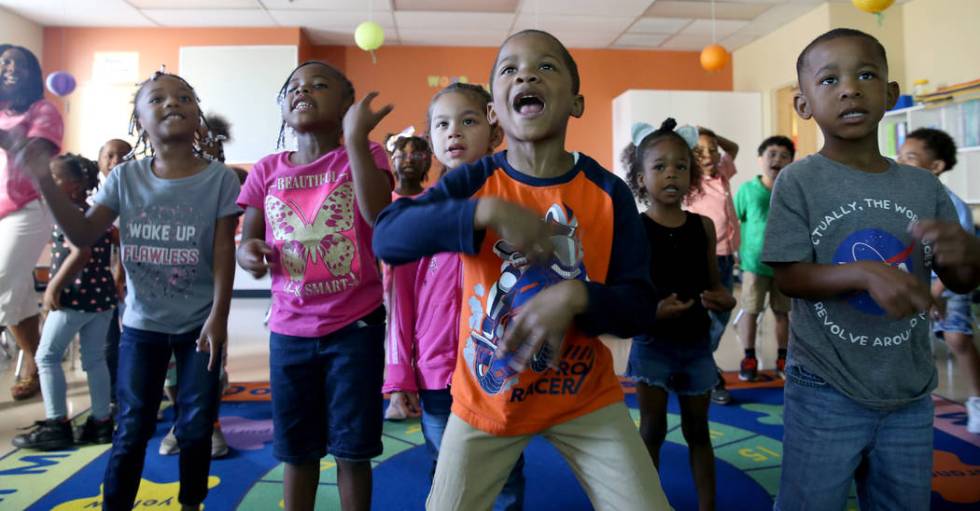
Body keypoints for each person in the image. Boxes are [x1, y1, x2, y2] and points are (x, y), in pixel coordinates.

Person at [373, 30, 671, 511]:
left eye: (546, 66)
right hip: (485, 404)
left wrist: (578, 298)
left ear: (576, 102)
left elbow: (638, 307)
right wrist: (482, 213)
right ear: (495, 110)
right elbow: (388, 237)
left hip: (583, 398)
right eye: (509, 69)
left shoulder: (609, 192)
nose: (527, 74)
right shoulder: (475, 183)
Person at [764, 28, 980, 510]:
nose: (849, 88)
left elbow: (962, 279)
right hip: (824, 388)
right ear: (804, 105)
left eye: (865, 75)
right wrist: (861, 273)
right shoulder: (799, 180)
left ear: (889, 93)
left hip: (908, 390)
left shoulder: (924, 188)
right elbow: (789, 277)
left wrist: (966, 256)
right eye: (829, 79)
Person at [19, 70, 241, 511]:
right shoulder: (125, 179)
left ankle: (192, 503)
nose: (171, 103)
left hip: (200, 323)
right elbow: (84, 233)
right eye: (156, 99)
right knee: (133, 426)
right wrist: (44, 182)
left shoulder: (219, 180)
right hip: (142, 325)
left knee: (196, 425)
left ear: (197, 116)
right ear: (139, 121)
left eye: (182, 96)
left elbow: (221, 251)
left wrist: (219, 316)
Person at [236, 61, 392, 511]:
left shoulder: (365, 155)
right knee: (296, 450)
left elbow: (379, 215)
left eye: (320, 85)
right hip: (289, 331)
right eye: (294, 87)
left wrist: (358, 140)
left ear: (346, 104)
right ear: (283, 105)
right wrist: (250, 254)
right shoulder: (266, 169)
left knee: (353, 448)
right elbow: (250, 236)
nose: (303, 91)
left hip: (355, 327)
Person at [383, 83, 524, 510]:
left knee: (504, 478)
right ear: (432, 140)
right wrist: (398, 376)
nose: (454, 133)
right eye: (442, 124)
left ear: (494, 130)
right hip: (435, 371)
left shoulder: (514, 203)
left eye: (468, 121)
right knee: (447, 472)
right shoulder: (417, 212)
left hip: (496, 369)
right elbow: (400, 301)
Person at [623, 118, 735, 511]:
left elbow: (714, 285)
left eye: (680, 166)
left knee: (698, 430)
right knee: (651, 429)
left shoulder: (703, 227)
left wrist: (723, 299)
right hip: (652, 343)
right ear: (640, 177)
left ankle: (708, 506)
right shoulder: (634, 229)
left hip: (695, 344)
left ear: (691, 175)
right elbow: (626, 294)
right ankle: (647, 503)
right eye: (659, 166)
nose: (671, 173)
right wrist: (652, 311)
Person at [12, 154, 116, 450]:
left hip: (75, 298)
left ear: (72, 186)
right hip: (101, 298)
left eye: (52, 181)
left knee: (46, 357)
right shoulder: (95, 212)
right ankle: (100, 422)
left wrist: (51, 290)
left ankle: (57, 424)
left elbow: (80, 253)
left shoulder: (66, 213)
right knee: (94, 360)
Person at [898, 127, 980, 434]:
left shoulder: (951, 204)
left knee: (957, 337)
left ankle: (977, 399)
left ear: (935, 167)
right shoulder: (901, 200)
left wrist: (936, 290)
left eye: (911, 157)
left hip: (948, 282)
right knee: (904, 338)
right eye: (900, 156)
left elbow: (962, 259)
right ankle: (911, 395)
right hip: (913, 281)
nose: (901, 162)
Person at [0, 44, 63, 401]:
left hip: (29, 206)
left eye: (20, 64)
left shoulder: (43, 111)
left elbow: (33, 155)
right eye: (4, 62)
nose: (10, 68)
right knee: (16, 296)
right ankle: (40, 360)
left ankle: (37, 361)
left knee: (2, 280)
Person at [685, 126, 739, 404]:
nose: (708, 156)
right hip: (702, 258)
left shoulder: (723, 173)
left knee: (721, 314)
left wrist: (712, 135)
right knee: (707, 315)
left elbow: (735, 149)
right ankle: (708, 372)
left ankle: (701, 362)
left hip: (728, 256)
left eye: (712, 150)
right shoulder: (690, 183)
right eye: (700, 152)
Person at [733, 136, 795, 381]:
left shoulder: (792, 191)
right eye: (771, 154)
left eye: (783, 155)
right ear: (760, 159)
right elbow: (734, 221)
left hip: (785, 266)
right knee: (751, 310)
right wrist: (735, 252)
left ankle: (783, 357)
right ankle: (749, 357)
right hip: (754, 265)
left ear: (791, 161)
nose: (777, 159)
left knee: (782, 313)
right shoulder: (747, 190)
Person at [96, 138, 131, 409]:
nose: (116, 161)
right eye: (109, 155)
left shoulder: (136, 194)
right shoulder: (93, 199)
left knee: (133, 340)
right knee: (109, 341)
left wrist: (120, 276)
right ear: (100, 161)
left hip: (131, 280)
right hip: (99, 282)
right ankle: (112, 398)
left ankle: (138, 395)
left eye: (123, 155)